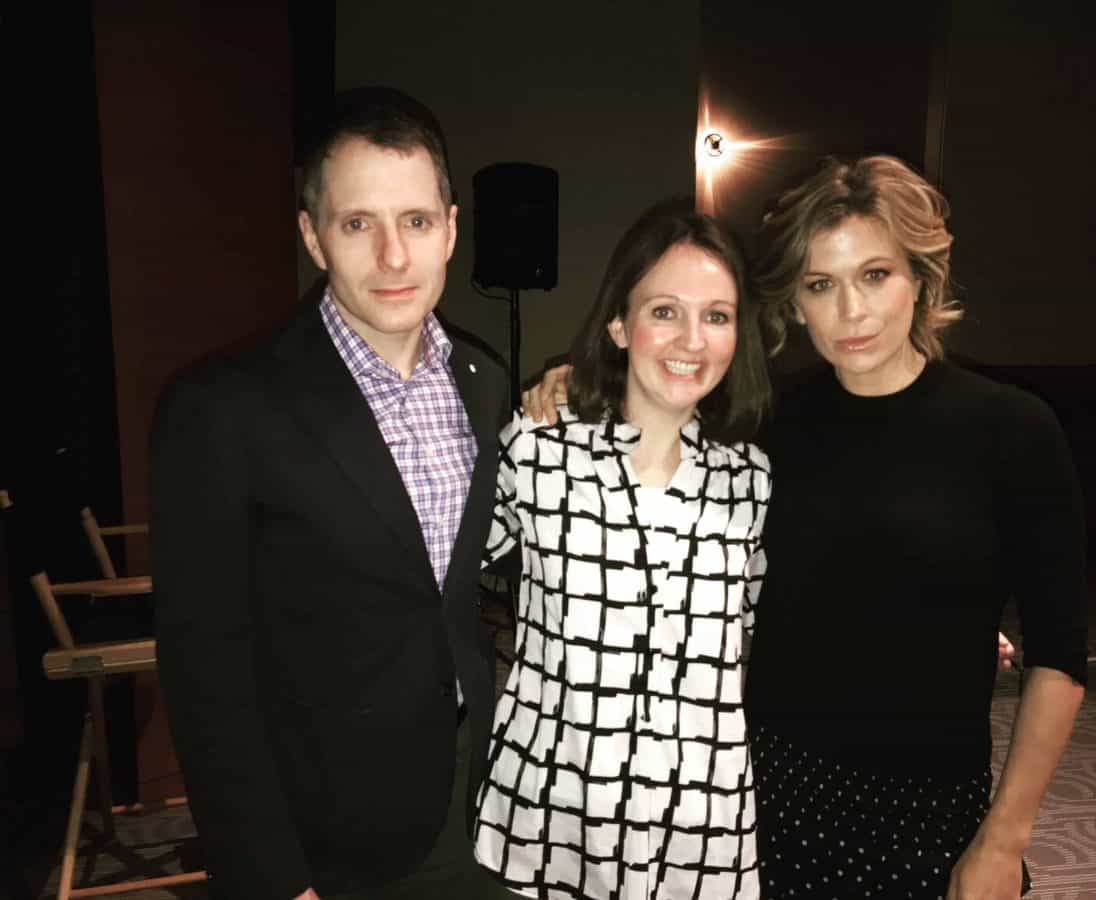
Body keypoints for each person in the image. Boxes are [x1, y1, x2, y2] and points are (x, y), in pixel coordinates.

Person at [151, 87, 512, 900]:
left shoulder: (483, 382)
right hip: (327, 834)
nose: (393, 256)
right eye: (359, 224)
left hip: (481, 790)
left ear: (450, 227)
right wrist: (270, 875)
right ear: (314, 236)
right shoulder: (221, 407)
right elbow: (205, 664)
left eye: (415, 222)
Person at [744, 155, 1086, 899]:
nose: (851, 312)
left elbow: (1061, 656)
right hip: (768, 788)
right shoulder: (767, 420)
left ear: (922, 278)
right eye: (820, 285)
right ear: (794, 303)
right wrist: (571, 382)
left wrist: (1006, 836)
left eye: (875, 275)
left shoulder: (1011, 428)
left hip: (930, 803)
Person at [472, 200, 773, 899]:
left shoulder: (751, 478)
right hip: (554, 808)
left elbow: (785, 619)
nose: (691, 339)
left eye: (717, 316)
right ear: (619, 324)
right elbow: (437, 570)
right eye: (665, 310)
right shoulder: (540, 448)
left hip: (700, 821)